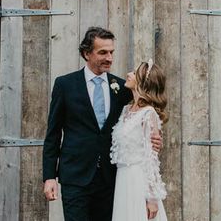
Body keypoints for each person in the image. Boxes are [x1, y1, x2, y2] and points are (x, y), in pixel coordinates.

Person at [43, 27, 161, 221]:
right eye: (102, 52)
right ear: (86, 53)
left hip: (111, 180)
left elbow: (141, 120)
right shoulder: (65, 85)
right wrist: (49, 177)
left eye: (111, 52)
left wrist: (155, 140)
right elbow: (53, 134)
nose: (109, 58)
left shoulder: (122, 88)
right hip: (76, 178)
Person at [110, 60, 167, 221]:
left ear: (143, 82)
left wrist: (152, 198)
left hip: (138, 180)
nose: (128, 74)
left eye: (134, 73)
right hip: (122, 179)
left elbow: (151, 160)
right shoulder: (126, 110)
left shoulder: (149, 114)